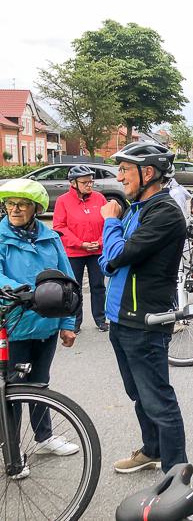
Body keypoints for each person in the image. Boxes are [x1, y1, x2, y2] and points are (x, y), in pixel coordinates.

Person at [98, 141, 188, 474]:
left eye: (124, 170)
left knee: (159, 401)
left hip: (145, 323)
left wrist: (110, 223)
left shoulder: (164, 213)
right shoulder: (137, 209)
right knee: (138, 394)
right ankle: (152, 450)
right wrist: (114, 235)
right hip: (121, 320)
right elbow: (111, 259)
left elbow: (115, 257)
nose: (119, 177)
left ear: (147, 172)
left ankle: (176, 476)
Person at [0, 179, 80, 477]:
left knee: (40, 384)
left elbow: (68, 281)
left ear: (35, 208)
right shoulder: (1, 237)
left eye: (22, 204)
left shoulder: (50, 237)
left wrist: (68, 323)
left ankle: (44, 437)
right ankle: (11, 449)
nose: (15, 209)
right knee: (12, 390)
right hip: (13, 324)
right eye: (10, 203)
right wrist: (20, 291)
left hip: (46, 324)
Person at [52, 165, 109, 333]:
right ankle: (74, 323)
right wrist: (80, 243)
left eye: (91, 181)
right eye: (85, 182)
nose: (89, 185)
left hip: (97, 251)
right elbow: (59, 226)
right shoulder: (63, 201)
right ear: (73, 183)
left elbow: (109, 222)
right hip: (74, 252)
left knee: (98, 286)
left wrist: (99, 242)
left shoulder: (99, 198)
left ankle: (101, 319)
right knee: (74, 288)